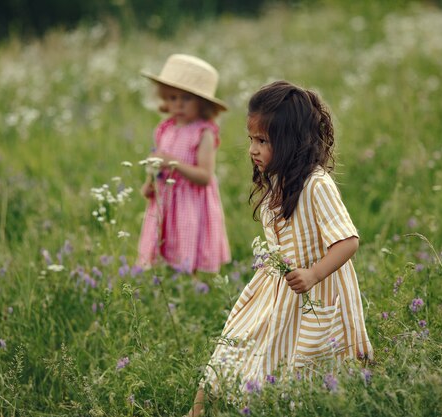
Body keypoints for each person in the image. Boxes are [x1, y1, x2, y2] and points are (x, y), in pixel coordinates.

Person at [187, 80, 373, 416]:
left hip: (317, 292)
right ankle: (197, 411)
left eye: (263, 141)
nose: (252, 150)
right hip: (273, 288)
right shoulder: (277, 183)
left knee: (307, 370)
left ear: (290, 143)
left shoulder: (316, 185)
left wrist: (314, 274)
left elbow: (348, 241)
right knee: (233, 345)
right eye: (251, 140)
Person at [136, 54, 231, 275]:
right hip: (165, 196)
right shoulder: (165, 128)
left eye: (186, 98)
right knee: (163, 241)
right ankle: (167, 280)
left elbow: (205, 176)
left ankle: (191, 284)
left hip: (191, 201)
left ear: (202, 103)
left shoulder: (203, 132)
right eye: (172, 97)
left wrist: (174, 163)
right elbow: (158, 161)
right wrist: (149, 181)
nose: (178, 104)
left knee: (187, 241)